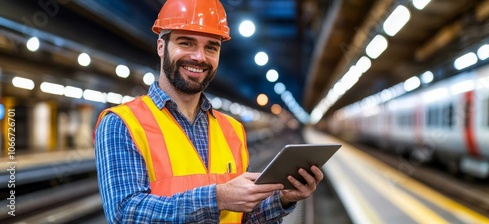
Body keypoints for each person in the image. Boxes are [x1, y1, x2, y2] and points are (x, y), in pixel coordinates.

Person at [93, 0, 324, 223]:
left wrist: (282, 199)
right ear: (161, 47)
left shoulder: (232, 130)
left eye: (211, 47)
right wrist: (218, 197)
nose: (199, 57)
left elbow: (243, 217)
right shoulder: (122, 123)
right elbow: (126, 214)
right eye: (186, 43)